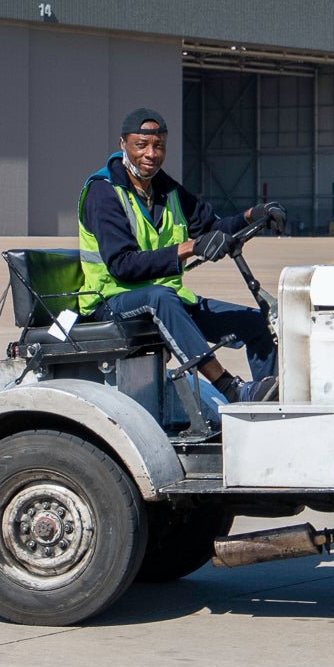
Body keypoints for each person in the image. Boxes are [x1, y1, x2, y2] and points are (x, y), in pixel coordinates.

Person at [76, 108, 284, 428]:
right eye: (141, 144)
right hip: (111, 301)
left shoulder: (166, 190)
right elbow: (121, 266)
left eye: (158, 146)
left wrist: (253, 215)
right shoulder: (104, 192)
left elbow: (212, 227)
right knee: (160, 297)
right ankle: (231, 388)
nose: (150, 154)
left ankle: (270, 408)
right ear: (123, 144)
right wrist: (186, 248)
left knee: (255, 324)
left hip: (164, 298)